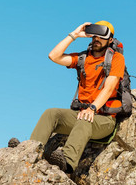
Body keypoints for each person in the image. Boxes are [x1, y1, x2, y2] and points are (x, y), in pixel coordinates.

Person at [30, 21, 125, 173]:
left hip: (104, 120)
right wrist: (74, 34)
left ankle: (66, 162)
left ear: (110, 40)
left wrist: (93, 108)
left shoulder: (116, 59)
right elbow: (53, 56)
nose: (96, 39)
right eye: (94, 36)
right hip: (82, 115)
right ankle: (30, 151)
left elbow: (109, 87)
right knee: (51, 113)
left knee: (84, 120)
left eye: (101, 36)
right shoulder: (83, 58)